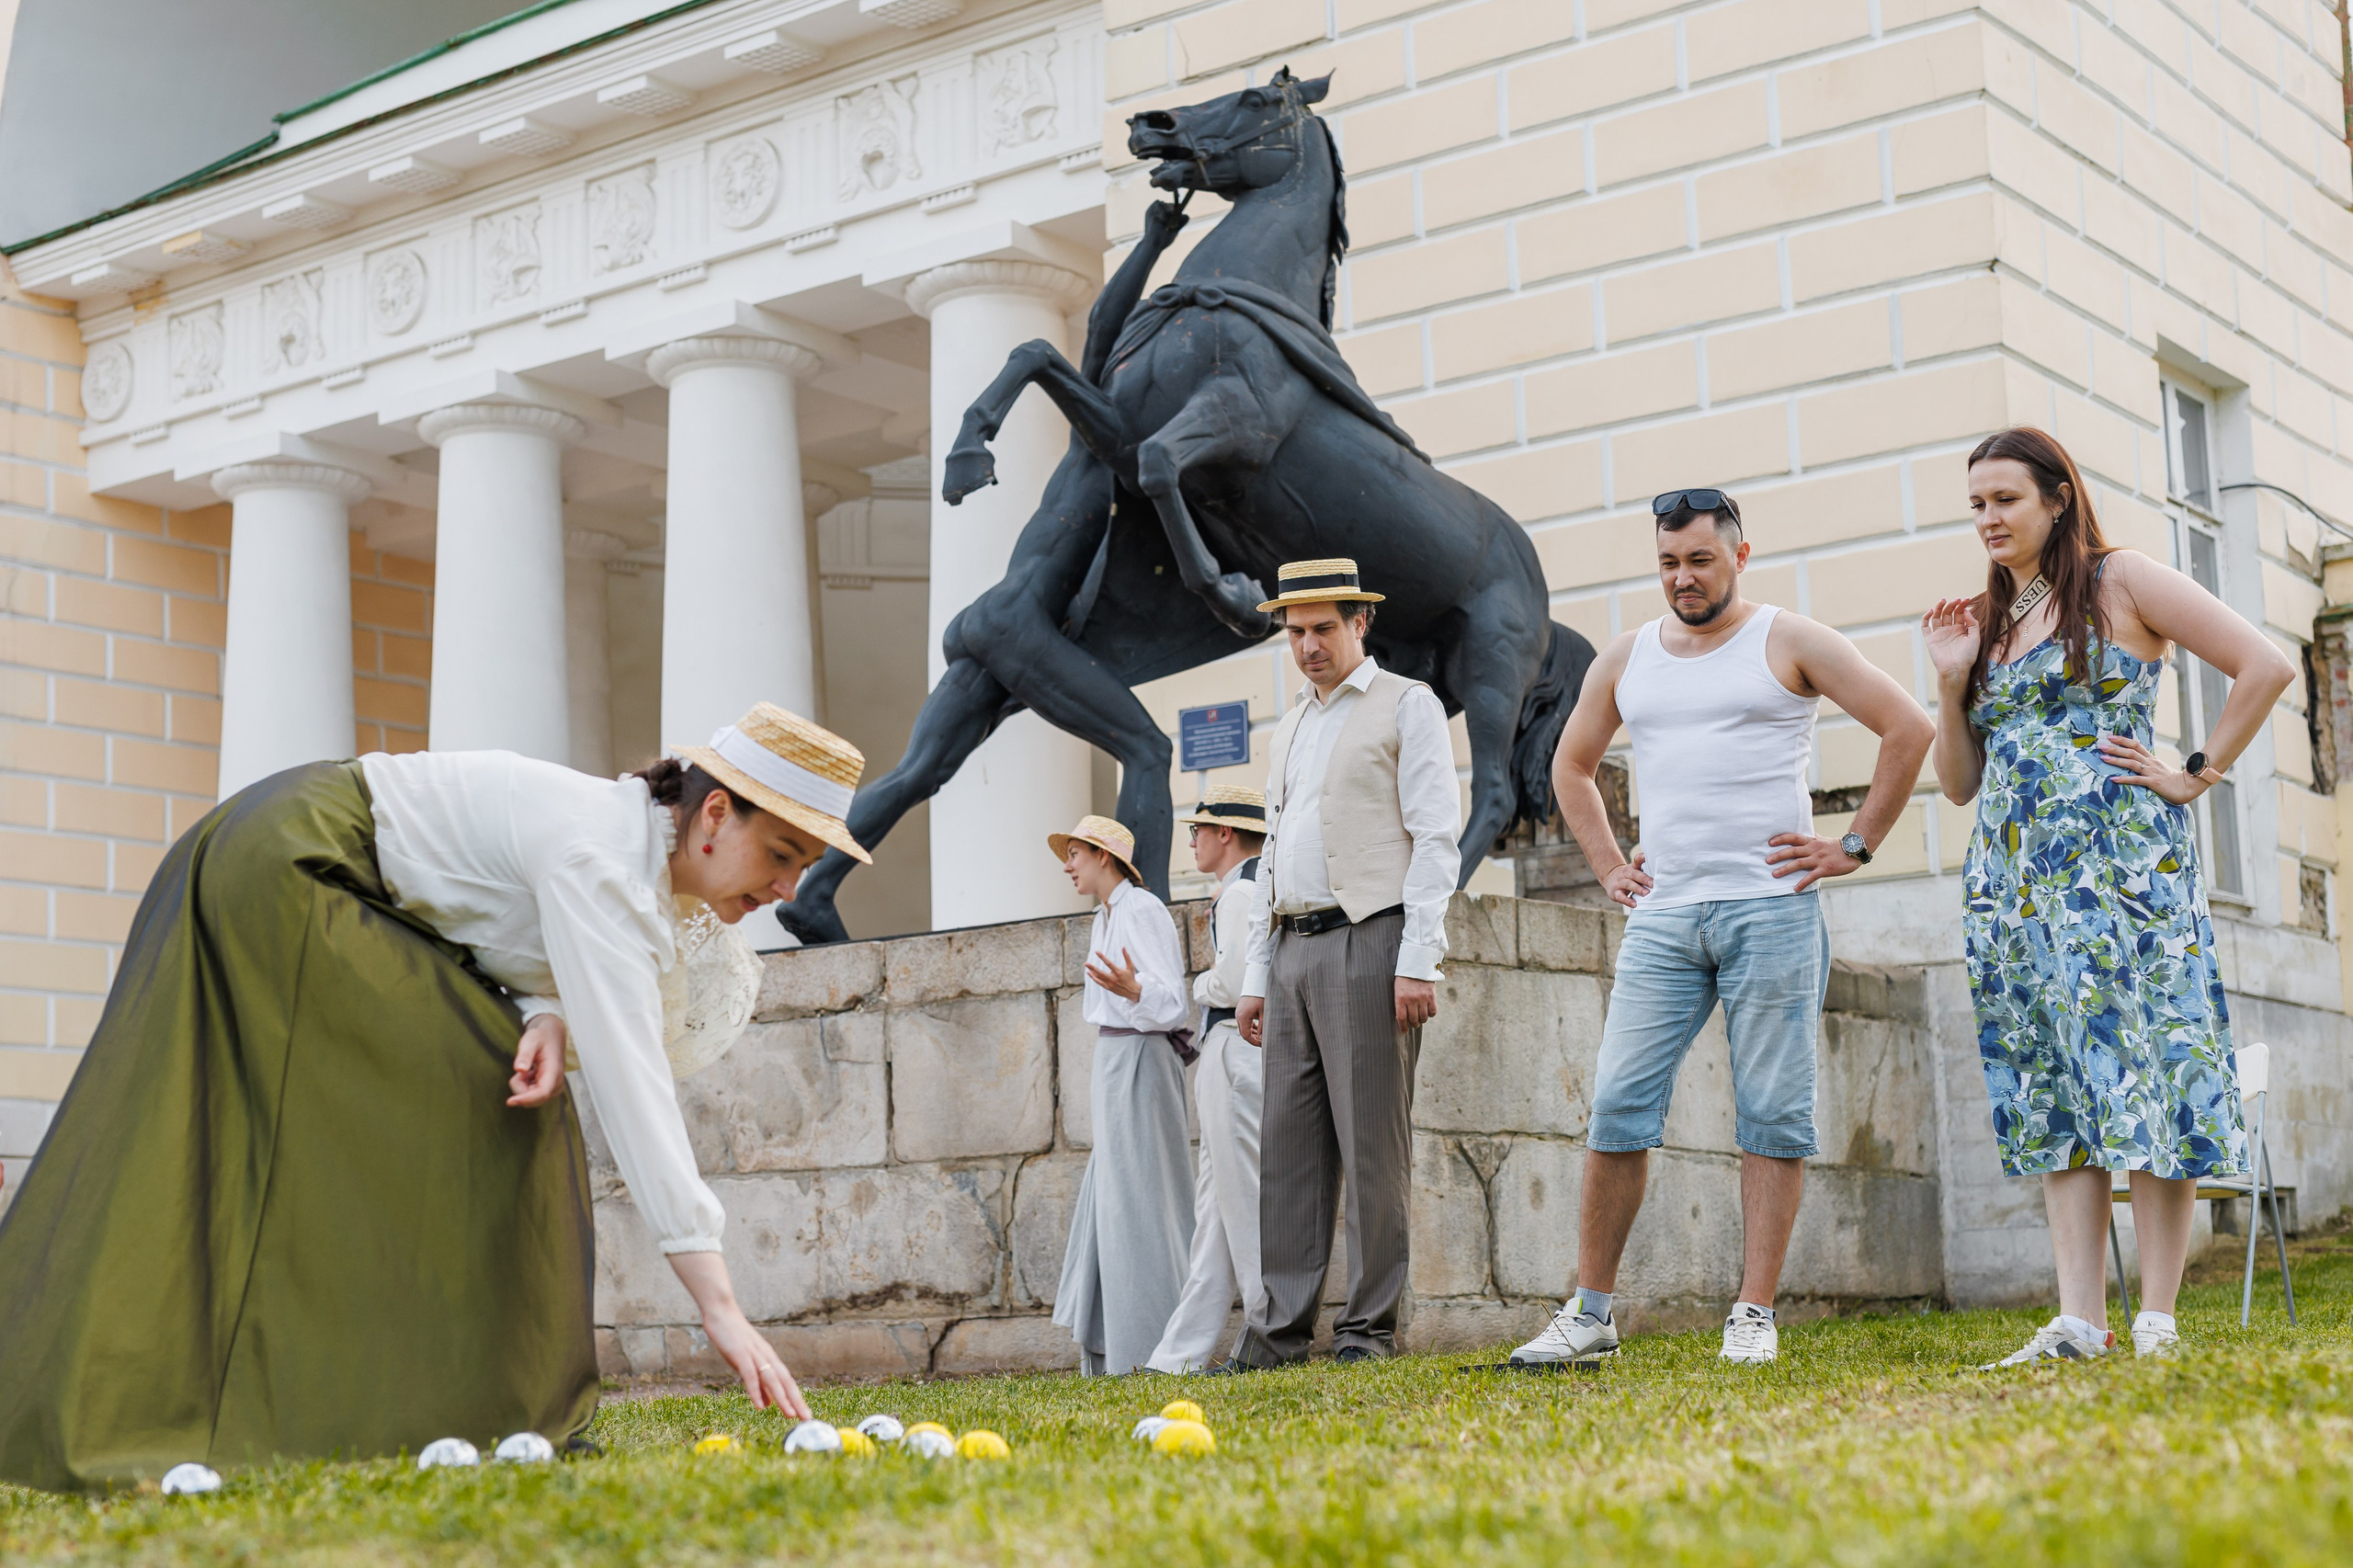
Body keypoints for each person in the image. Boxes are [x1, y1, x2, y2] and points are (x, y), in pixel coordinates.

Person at [0, 701, 868, 1493]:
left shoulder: (620, 849)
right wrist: (720, 1306)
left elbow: (494, 918)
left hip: (310, 863)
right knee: (469, 1090)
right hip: (295, 865)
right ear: (715, 815)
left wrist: (546, 1014)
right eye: (782, 855)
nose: (788, 889)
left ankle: (431, 1399)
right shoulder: (603, 854)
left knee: (494, 1083)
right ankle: (431, 1401)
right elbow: (635, 1088)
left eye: (804, 867)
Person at [1510, 489, 1934, 1369]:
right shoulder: (1629, 658)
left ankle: (1753, 1312)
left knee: (1772, 1113)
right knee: (1619, 1102)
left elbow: (1909, 726)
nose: (1683, 578)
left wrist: (1853, 844)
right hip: (1664, 918)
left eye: (1700, 560)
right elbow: (1571, 764)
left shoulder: (1791, 640)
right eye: (1668, 562)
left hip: (1770, 909)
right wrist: (1607, 865)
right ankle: (1590, 1313)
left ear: (1740, 555)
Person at [1924, 428, 2293, 1365]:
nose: (1987, 519)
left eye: (2004, 498)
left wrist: (2193, 773)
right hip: (2012, 888)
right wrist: (1949, 677)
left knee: (2150, 1071)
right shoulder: (1990, 618)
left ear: (2056, 497)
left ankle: (2158, 1318)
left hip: (2123, 875)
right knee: (2054, 1088)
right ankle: (2080, 1319)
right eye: (1975, 504)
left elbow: (2263, 666)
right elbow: (1960, 781)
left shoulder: (2121, 580)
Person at [1229, 559, 1462, 1369]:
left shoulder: (1411, 705)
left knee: (1372, 1151)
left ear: (1361, 623)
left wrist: (1418, 959)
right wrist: (1255, 978)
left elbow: (1436, 838)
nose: (1308, 646)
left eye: (1323, 628)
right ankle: (1278, 1333)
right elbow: (1269, 858)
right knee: (1286, 1155)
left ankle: (1368, 1332)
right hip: (1290, 947)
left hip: (1372, 937)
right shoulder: (1288, 726)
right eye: (1295, 633)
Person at [1050, 814, 1196, 1374]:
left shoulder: (1143, 909)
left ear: (1103, 857)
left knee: (1143, 1197)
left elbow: (1172, 1004)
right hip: (1114, 1058)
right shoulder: (1103, 917)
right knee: (1115, 1197)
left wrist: (1136, 990)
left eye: (1075, 855)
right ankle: (1116, 1346)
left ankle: (1157, 1346)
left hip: (1140, 1056)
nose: (1067, 866)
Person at [1146, 786, 1269, 1373]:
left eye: (1198, 829)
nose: (1191, 839)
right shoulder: (1245, 886)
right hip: (1233, 1048)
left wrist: (1199, 984)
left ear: (1226, 833)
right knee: (1216, 1211)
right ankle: (1181, 1353)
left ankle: (1269, 1333)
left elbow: (1238, 980)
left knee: (1241, 1199)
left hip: (1235, 1046)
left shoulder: (1241, 890)